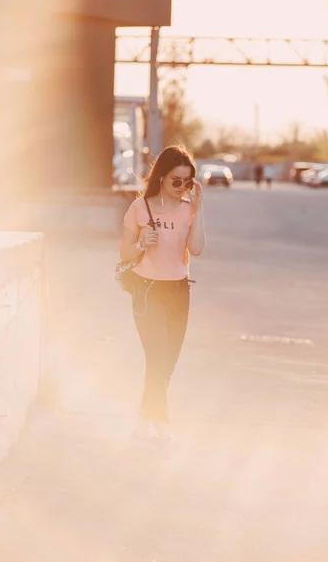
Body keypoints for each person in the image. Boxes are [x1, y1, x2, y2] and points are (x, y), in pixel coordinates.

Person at [120, 145, 206, 447]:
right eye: (176, 181)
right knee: (157, 358)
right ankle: (162, 426)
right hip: (148, 290)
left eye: (188, 181)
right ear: (162, 178)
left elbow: (196, 249)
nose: (181, 187)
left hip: (179, 291)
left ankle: (145, 421)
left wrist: (200, 207)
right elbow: (124, 253)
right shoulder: (140, 209)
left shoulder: (188, 210)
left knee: (168, 361)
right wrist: (142, 242)